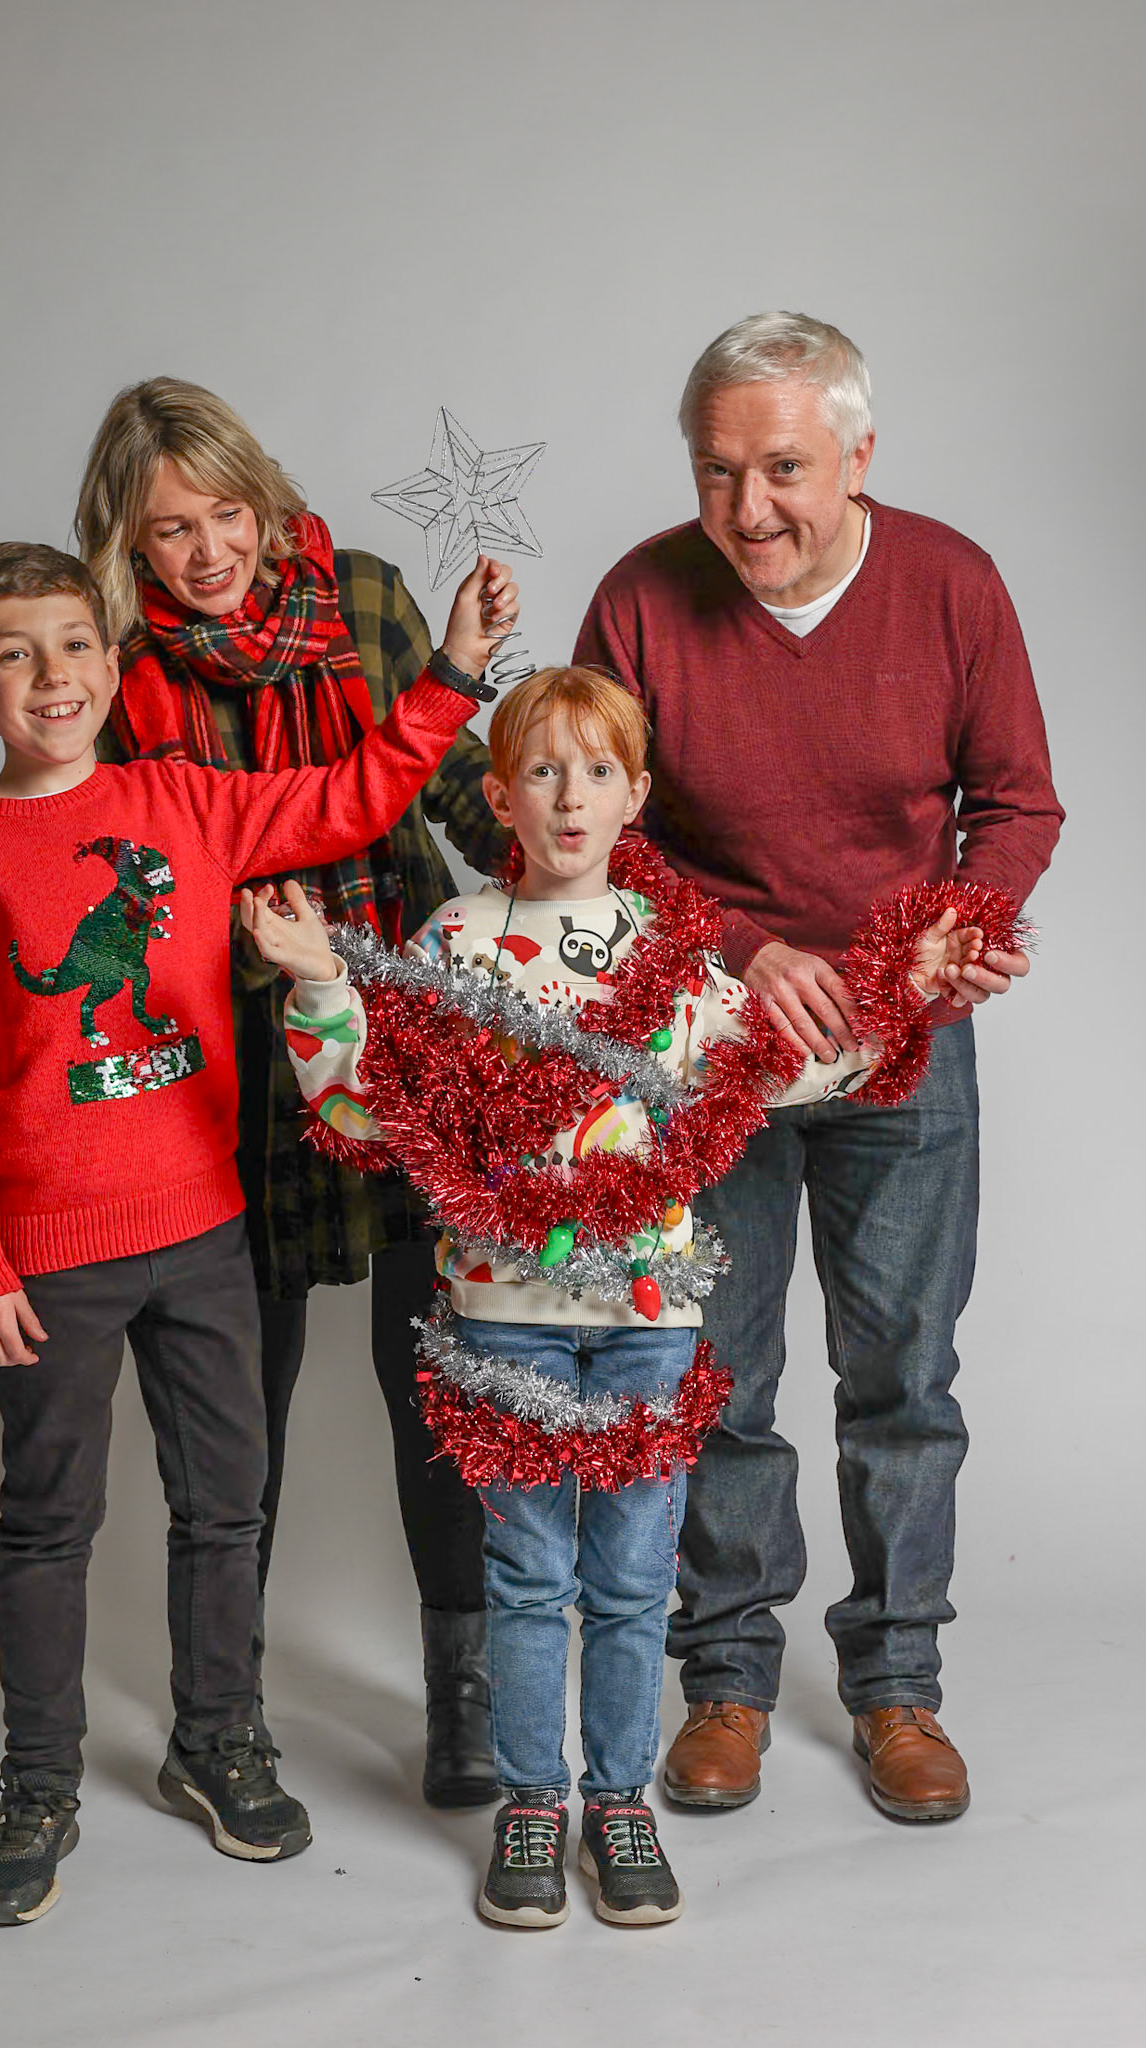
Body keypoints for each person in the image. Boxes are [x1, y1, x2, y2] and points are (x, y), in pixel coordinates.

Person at [244, 665, 988, 1927]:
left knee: (637, 1581)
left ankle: (620, 1800)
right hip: (503, 1317)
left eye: (596, 771)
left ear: (636, 796)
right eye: (542, 770)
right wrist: (322, 981)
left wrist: (901, 989)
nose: (569, 795)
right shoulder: (456, 944)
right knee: (529, 1576)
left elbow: (783, 1070)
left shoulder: (675, 956)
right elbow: (373, 1109)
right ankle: (534, 1801)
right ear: (500, 796)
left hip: (648, 1323)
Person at [0, 539, 505, 1925]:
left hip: (206, 1230)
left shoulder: (179, 800)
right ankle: (37, 1783)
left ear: (114, 666)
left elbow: (353, 794)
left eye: (73, 645)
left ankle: (217, 1740)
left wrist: (456, 671)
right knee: (47, 1522)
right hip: (50, 1252)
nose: (51, 675)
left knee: (227, 1504)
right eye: (13, 655)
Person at [574, 311, 1063, 1822]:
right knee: (715, 1374)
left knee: (901, 1376)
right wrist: (738, 949)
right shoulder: (640, 598)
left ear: (857, 455)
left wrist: (962, 927)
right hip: (711, 1046)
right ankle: (725, 1677)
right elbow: (600, 832)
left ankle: (898, 1687)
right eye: (717, 472)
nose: (749, 508)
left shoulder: (951, 583)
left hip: (903, 1047)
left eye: (782, 468)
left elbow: (1018, 802)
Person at [74, 381, 513, 1806]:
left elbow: (451, 783)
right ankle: (225, 1712)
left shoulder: (367, 600)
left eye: (226, 514)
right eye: (171, 531)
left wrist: (579, 870)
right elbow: (127, 881)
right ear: (129, 545)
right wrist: (240, 943)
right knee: (232, 1409)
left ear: (263, 502)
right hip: (238, 1072)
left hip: (407, 1039)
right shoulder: (118, 667)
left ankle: (464, 1689)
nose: (209, 551)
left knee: (438, 1378)